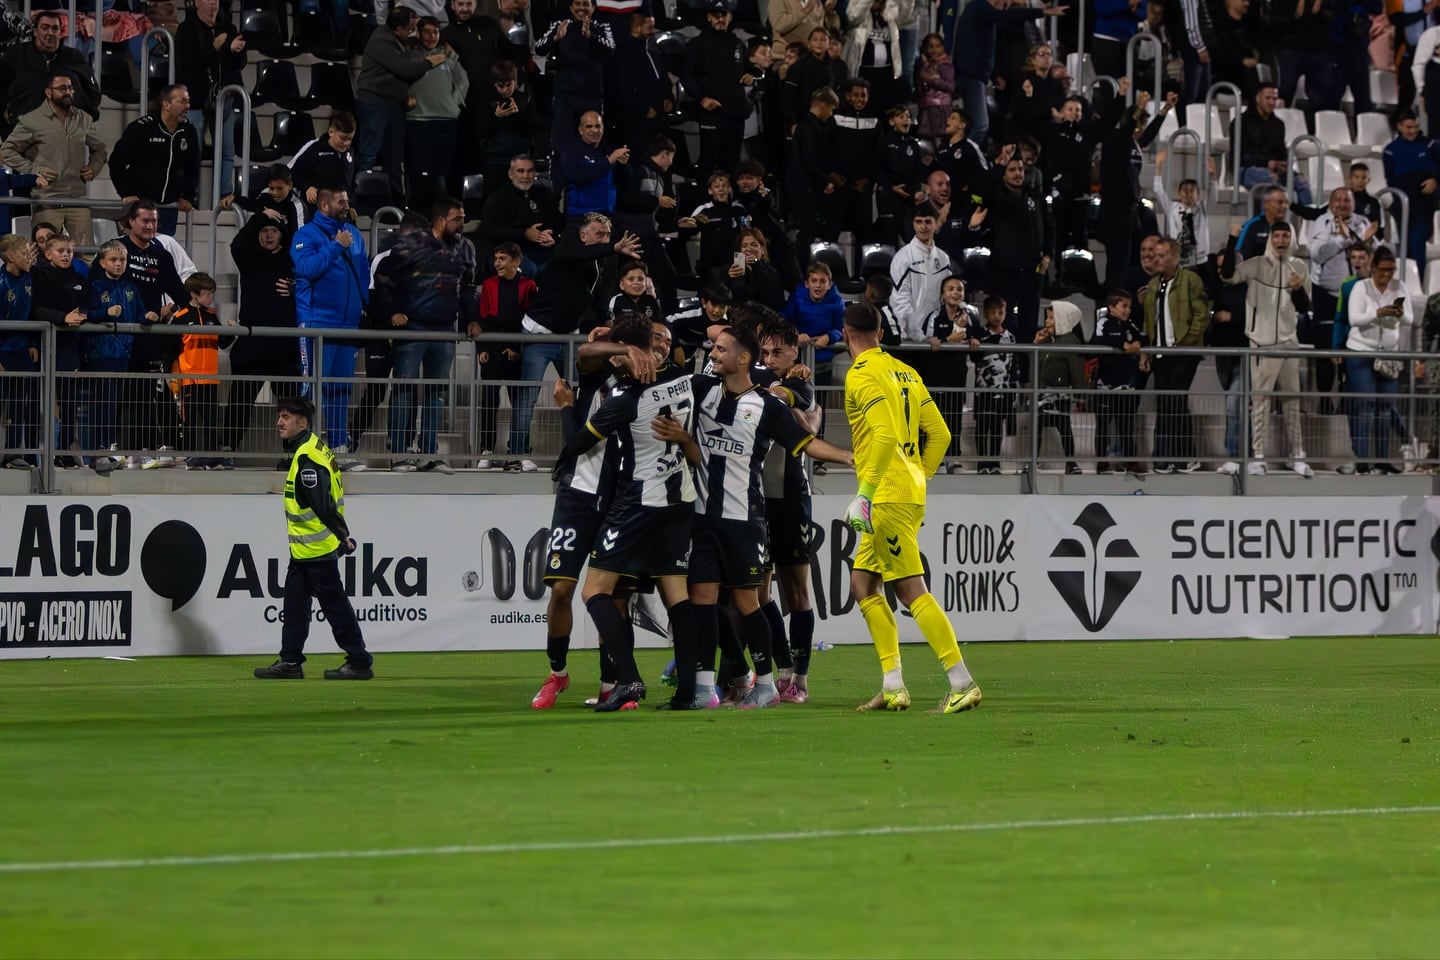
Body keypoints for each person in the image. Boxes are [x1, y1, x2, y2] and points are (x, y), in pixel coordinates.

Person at [681, 326, 853, 708]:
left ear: (743, 358)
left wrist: (848, 456)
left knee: (751, 601)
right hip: (702, 518)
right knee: (703, 600)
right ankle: (707, 687)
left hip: (746, 517)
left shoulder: (768, 404)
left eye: (721, 349)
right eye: (713, 348)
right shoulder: (701, 389)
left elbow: (806, 442)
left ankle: (768, 683)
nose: (713, 354)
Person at [549, 317, 700, 712]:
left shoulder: (627, 400)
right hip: (680, 500)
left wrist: (566, 407)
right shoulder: (682, 378)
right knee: (677, 596)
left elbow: (576, 442)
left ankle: (629, 679)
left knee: (594, 591)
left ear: (626, 353)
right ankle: (688, 692)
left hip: (638, 502)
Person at [841, 301, 981, 714]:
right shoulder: (906, 371)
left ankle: (962, 682)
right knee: (863, 584)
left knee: (909, 590)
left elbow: (884, 436)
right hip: (908, 489)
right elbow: (940, 434)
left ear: (845, 333)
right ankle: (893, 685)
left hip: (885, 495)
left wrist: (866, 492)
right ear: (881, 333)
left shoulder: (860, 375)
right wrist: (919, 474)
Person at [530, 320, 662, 709]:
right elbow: (585, 353)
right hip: (578, 495)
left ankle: (611, 684)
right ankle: (557, 673)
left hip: (622, 501)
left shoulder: (649, 388)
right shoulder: (599, 371)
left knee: (615, 600)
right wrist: (620, 349)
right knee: (561, 590)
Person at [253, 396, 375, 681]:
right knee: (295, 606)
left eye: (285, 417)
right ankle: (290, 660)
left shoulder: (307, 457)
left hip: (316, 549)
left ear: (303, 422)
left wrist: (342, 535)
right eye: (279, 416)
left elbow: (322, 504)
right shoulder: (312, 447)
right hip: (305, 551)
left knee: (335, 606)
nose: (279, 422)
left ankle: (359, 661)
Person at [512, 212, 641, 470]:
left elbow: (601, 298)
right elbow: (579, 255)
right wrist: (613, 247)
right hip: (538, 332)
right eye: (599, 234)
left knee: (580, 394)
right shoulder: (567, 249)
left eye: (607, 235)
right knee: (528, 396)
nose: (605, 240)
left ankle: (577, 450)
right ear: (583, 236)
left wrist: (607, 323)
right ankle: (516, 455)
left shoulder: (607, 260)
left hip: (570, 337)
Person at [373, 196, 476, 471]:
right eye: (457, 219)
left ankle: (429, 453)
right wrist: (393, 311)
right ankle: (399, 453)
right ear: (441, 221)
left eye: (463, 218)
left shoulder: (465, 248)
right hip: (412, 329)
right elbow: (384, 279)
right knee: (404, 390)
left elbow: (467, 287)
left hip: (445, 330)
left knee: (436, 393)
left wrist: (472, 319)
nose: (462, 224)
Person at [1220, 221, 1314, 477]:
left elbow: (1305, 308)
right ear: (1270, 238)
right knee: (1261, 402)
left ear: (1291, 239)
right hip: (1261, 344)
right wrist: (1232, 239)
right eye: (1277, 236)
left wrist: (1297, 289)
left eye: (1285, 236)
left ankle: (1298, 455)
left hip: (1289, 344)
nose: (1281, 240)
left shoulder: (1299, 267)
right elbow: (1227, 275)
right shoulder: (1256, 265)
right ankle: (1259, 457)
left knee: (1292, 401)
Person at [292, 187, 370, 465]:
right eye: (340, 202)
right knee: (313, 390)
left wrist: (363, 304)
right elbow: (307, 268)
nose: (346, 205)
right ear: (324, 206)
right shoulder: (306, 235)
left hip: (348, 324)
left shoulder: (354, 233)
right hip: (317, 323)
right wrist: (336, 245)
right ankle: (306, 452)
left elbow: (363, 272)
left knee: (340, 389)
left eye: (347, 201)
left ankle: (338, 448)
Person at [112, 200, 188, 469]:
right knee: (116, 394)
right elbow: (98, 285)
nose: (150, 226)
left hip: (148, 337)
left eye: (154, 221)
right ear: (131, 221)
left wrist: (172, 309)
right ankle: (114, 448)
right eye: (145, 220)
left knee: (145, 396)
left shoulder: (161, 254)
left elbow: (180, 292)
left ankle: (142, 450)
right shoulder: (116, 249)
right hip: (117, 336)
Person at [0, 73, 108, 246]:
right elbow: (7, 150)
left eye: (71, 88)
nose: (69, 92)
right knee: (44, 251)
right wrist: (34, 170)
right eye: (62, 88)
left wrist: (93, 167)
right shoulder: (32, 120)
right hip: (46, 198)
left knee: (86, 252)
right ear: (48, 92)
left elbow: (100, 149)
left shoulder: (83, 118)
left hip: (77, 197)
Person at [227, 206, 300, 460]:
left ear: (282, 235)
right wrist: (261, 216)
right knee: (239, 402)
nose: (268, 235)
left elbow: (312, 286)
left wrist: (296, 289)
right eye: (264, 231)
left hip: (285, 344)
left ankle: (291, 455)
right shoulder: (249, 258)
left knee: (290, 406)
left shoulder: (294, 260)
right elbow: (237, 245)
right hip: (252, 342)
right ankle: (227, 452)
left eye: (273, 231)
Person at [357, 7, 447, 199]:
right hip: (375, 102)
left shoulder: (400, 40)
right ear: (398, 28)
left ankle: (396, 199)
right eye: (410, 29)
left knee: (394, 156)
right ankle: (360, 197)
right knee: (369, 153)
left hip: (394, 104)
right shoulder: (382, 40)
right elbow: (405, 69)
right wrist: (430, 62)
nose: (412, 33)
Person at [1343, 246, 1414, 475]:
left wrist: (1399, 313)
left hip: (1389, 354)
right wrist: (1377, 313)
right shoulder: (1360, 287)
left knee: (1385, 407)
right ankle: (1362, 460)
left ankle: (1382, 460)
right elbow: (1353, 319)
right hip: (1361, 353)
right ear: (1373, 267)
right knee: (1365, 406)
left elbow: (1410, 319)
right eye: (1383, 270)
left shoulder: (1399, 286)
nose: (1387, 275)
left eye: (1391, 270)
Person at [1142, 237, 1210, 474]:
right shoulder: (1153, 284)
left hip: (1183, 352)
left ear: (1175, 257)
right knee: (1165, 403)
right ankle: (1163, 457)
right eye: (1155, 255)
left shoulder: (1190, 280)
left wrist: (1187, 341)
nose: (1156, 260)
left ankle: (1184, 456)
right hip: (1160, 352)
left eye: (1161, 255)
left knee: (1177, 401)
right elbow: (1149, 320)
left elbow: (1202, 314)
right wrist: (1147, 350)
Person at [175, 0, 245, 206]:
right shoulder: (187, 29)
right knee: (192, 150)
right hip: (195, 100)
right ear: (197, 2)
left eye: (215, 0)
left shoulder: (229, 28)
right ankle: (190, 196)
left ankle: (224, 197)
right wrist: (214, 49)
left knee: (226, 151)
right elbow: (188, 65)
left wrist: (233, 51)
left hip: (225, 98)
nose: (213, 4)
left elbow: (238, 63)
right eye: (208, 0)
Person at [471, 242, 535, 466]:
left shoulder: (528, 285)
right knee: (489, 402)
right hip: (492, 352)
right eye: (496, 259)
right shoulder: (489, 284)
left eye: (502, 259)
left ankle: (519, 450)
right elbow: (482, 319)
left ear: (516, 261)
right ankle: (486, 450)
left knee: (520, 405)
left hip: (517, 354)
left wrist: (516, 348)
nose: (497, 263)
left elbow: (528, 321)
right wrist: (483, 349)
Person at [108, 85, 201, 235]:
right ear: (166, 104)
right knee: (136, 247)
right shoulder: (142, 128)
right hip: (140, 205)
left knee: (162, 246)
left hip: (168, 207)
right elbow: (116, 163)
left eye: (188, 101)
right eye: (182, 101)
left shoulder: (188, 131)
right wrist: (125, 193)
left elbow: (193, 168)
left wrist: (188, 196)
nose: (188, 106)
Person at [83, 240, 143, 474]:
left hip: (124, 354)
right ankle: (98, 451)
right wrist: (104, 313)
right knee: (102, 404)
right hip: (101, 353)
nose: (119, 264)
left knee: (116, 404)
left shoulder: (131, 287)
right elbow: (85, 313)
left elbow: (140, 314)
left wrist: (150, 315)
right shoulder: (95, 286)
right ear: (102, 262)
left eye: (122, 260)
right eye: (113, 260)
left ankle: (111, 448)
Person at [0, 10, 101, 136]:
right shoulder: (16, 54)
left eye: (55, 28)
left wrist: (83, 120)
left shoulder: (73, 57)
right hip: (22, 131)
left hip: (63, 134)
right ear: (35, 31)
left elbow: (93, 93)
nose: (50, 32)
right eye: (45, 27)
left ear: (61, 33)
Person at [405, 16, 470, 208]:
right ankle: (418, 210)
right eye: (427, 31)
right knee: (418, 170)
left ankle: (441, 209)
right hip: (418, 119)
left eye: (435, 32)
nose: (431, 36)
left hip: (446, 119)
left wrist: (454, 103)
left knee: (442, 170)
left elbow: (463, 80)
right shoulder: (410, 56)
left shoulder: (448, 57)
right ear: (418, 33)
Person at [916, 275, 978, 473]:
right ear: (942, 294)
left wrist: (975, 340)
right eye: (950, 289)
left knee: (954, 418)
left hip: (957, 376)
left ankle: (953, 459)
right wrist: (948, 339)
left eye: (959, 289)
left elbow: (978, 336)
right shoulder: (934, 316)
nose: (955, 293)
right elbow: (927, 342)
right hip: (935, 376)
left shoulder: (970, 316)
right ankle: (936, 460)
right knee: (935, 420)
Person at [681, 2, 751, 177]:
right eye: (716, 15)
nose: (720, 19)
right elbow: (687, 76)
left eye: (724, 15)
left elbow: (747, 71)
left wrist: (750, 76)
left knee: (733, 164)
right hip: (712, 113)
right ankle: (704, 195)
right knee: (709, 163)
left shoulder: (738, 44)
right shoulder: (697, 45)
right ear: (709, 17)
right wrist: (702, 98)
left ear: (730, 17)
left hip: (736, 113)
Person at [535, 0, 616, 144]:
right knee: (562, 141)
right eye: (577, 3)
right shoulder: (561, 25)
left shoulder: (601, 26)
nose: (581, 8)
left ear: (593, 8)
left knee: (592, 140)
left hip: (591, 96)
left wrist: (591, 36)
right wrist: (555, 38)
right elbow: (539, 48)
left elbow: (611, 49)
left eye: (586, 4)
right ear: (571, 7)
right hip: (565, 95)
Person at [172, 273, 230, 470]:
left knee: (211, 420)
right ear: (194, 294)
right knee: (190, 421)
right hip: (190, 379)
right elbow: (171, 349)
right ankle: (190, 457)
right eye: (206, 293)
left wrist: (232, 330)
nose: (210, 297)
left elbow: (223, 343)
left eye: (212, 293)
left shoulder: (212, 315)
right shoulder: (180, 318)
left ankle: (213, 458)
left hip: (211, 378)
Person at [1091, 291, 1147, 474]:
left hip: (1125, 384)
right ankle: (1102, 462)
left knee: (1126, 426)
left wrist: (1137, 346)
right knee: (1103, 426)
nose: (1127, 310)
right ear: (1112, 307)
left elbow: (1143, 337)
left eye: (1129, 306)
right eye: (1124, 306)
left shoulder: (1128, 324)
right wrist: (1123, 345)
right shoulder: (1103, 322)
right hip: (1105, 385)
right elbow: (1099, 339)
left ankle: (1130, 462)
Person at [477, 154, 562, 272]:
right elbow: (488, 231)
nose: (525, 176)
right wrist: (524, 233)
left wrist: (550, 236)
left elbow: (556, 221)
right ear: (510, 174)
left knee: (564, 260)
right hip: (506, 250)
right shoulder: (498, 197)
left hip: (539, 248)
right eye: (520, 171)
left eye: (530, 171)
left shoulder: (543, 193)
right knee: (529, 269)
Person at [889, 205, 952, 343]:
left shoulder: (943, 259)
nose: (923, 227)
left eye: (928, 222)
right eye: (919, 222)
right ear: (913, 225)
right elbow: (900, 299)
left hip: (936, 335)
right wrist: (914, 334)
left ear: (935, 224)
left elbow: (947, 298)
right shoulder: (903, 257)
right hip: (910, 337)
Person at [0, 233, 36, 469]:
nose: (29, 257)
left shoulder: (29, 279)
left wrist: (32, 342)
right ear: (10, 257)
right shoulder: (1, 283)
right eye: (24, 253)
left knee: (18, 404)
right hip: (3, 351)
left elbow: (32, 314)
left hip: (22, 350)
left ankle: (14, 454)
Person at [289, 115, 358, 213]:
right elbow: (292, 172)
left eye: (350, 139)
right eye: (343, 138)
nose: (346, 143)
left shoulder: (350, 151)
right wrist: (307, 187)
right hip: (317, 208)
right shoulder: (314, 147)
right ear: (331, 132)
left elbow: (351, 181)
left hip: (341, 210)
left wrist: (351, 204)